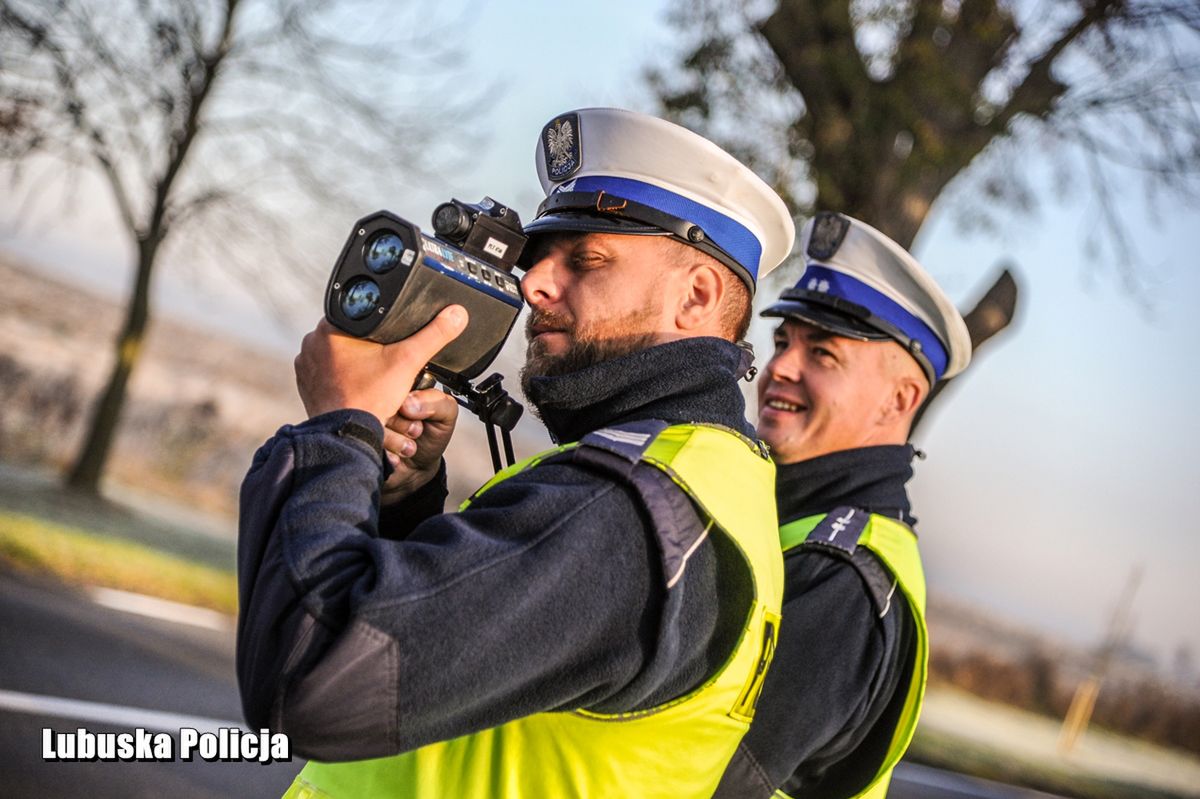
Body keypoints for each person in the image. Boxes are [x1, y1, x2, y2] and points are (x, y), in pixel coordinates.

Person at [236, 107, 796, 798]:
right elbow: (467, 664)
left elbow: (311, 682)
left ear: (696, 296)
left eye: (586, 259)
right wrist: (405, 496)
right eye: (539, 258)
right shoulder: (697, 479)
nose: (533, 284)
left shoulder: (626, 510)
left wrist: (339, 428)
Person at [713, 212, 971, 799]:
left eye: (823, 354)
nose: (779, 367)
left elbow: (706, 780)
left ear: (899, 399)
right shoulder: (795, 518)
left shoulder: (843, 581)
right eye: (783, 342)